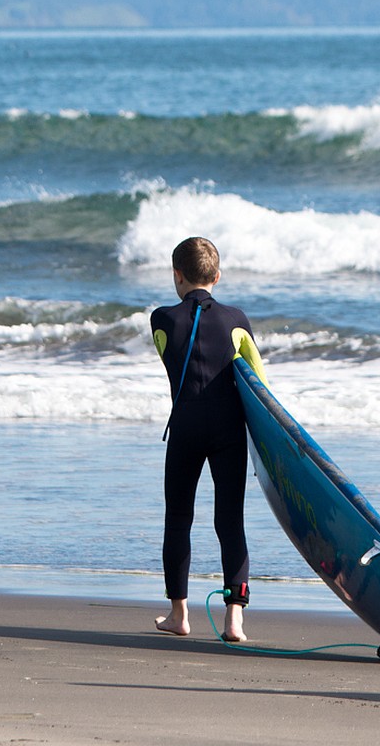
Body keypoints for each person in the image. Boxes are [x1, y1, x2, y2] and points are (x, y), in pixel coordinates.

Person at [151, 236, 253, 643]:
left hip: (186, 427)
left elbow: (171, 359)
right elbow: (257, 380)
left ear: (177, 275)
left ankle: (179, 614)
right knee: (230, 519)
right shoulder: (237, 320)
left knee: (178, 518)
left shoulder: (162, 319)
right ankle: (234, 620)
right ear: (218, 275)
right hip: (229, 430)